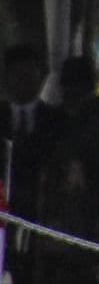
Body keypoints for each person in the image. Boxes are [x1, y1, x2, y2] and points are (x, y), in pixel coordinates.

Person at [4, 43, 73, 189]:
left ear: (42, 77)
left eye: (29, 74)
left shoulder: (59, 120)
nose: (23, 80)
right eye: (17, 74)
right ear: (6, 77)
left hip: (43, 201)